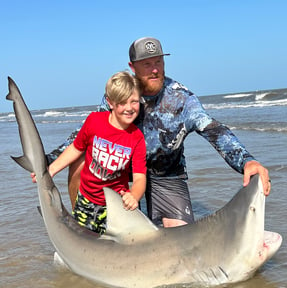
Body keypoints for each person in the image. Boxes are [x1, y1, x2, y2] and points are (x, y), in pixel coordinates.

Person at [47, 37, 271, 228]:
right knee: (81, 160)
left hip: (167, 176)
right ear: (132, 66)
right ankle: (84, 228)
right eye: (146, 64)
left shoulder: (182, 99)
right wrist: (48, 161)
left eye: (158, 62)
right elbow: (86, 134)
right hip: (123, 172)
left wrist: (246, 161)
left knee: (179, 241)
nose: (154, 69)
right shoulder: (123, 95)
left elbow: (214, 130)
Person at [35, 71, 146, 234]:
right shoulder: (94, 121)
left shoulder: (137, 138)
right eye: (122, 102)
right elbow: (75, 149)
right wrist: (50, 170)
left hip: (115, 206)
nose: (129, 108)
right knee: (81, 239)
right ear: (110, 102)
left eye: (134, 101)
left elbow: (139, 177)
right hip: (86, 200)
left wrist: (134, 195)